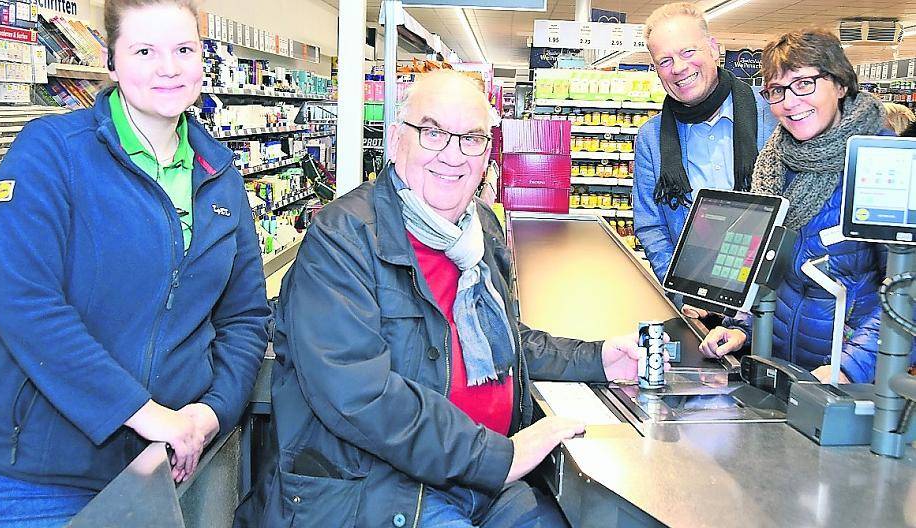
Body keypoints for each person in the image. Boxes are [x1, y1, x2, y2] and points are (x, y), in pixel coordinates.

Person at [251, 70, 656, 528]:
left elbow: (502, 338)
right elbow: (358, 393)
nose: (453, 155)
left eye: (472, 139)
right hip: (386, 490)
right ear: (395, 138)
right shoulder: (343, 237)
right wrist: (498, 456)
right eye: (434, 133)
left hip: (480, 481)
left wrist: (599, 359)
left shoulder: (480, 226)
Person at [0, 0, 269, 525]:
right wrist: (149, 416)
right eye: (144, 51)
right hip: (36, 482)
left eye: (184, 49)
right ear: (111, 62)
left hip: (165, 470)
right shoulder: (51, 154)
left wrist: (208, 414)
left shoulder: (218, 173)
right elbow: (27, 307)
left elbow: (244, 317)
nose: (169, 68)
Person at [699, 29, 903, 383]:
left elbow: (905, 294)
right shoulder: (776, 161)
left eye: (804, 83)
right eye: (777, 90)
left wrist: (850, 367)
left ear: (840, 84)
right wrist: (741, 327)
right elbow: (771, 268)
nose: (790, 102)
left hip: (849, 382)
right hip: (780, 369)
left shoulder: (883, 166)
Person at [633, 2, 777, 287]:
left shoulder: (772, 117)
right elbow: (651, 225)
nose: (678, 68)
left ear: (713, 48)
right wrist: (681, 287)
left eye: (688, 51)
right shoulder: (651, 138)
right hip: (694, 294)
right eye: (665, 61)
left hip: (769, 296)